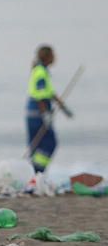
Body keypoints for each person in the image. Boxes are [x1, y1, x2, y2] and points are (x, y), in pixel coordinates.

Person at [26, 45, 73, 173]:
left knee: (36, 145)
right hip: (38, 113)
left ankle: (34, 173)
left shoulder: (42, 70)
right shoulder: (41, 72)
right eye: (53, 54)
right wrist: (45, 114)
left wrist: (63, 108)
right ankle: (37, 171)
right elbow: (40, 95)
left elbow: (50, 93)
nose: (55, 57)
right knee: (48, 143)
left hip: (35, 112)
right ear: (47, 56)